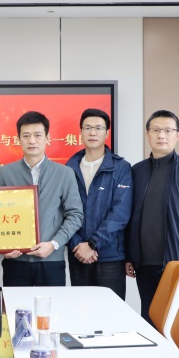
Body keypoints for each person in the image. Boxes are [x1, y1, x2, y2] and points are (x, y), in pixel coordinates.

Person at [125, 110, 179, 323]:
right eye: (156, 130)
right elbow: (128, 217)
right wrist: (129, 255)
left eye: (167, 130)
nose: (161, 135)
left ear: (177, 135)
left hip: (178, 261)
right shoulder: (136, 171)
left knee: (175, 323)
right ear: (148, 134)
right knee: (148, 318)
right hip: (144, 263)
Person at [0, 111, 83, 286]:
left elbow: (75, 215)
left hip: (51, 260)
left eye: (37, 135)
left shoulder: (64, 173)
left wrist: (54, 244)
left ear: (47, 138)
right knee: (15, 304)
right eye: (26, 136)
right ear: (18, 139)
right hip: (16, 260)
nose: (32, 141)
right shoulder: (5, 173)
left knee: (52, 304)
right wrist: (3, 246)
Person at [65, 108, 132, 300]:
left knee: (111, 311)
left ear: (107, 133)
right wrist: (77, 244)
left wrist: (93, 244)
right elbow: (63, 211)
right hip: (78, 254)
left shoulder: (121, 168)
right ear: (81, 132)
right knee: (80, 310)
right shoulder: (69, 168)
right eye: (87, 128)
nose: (92, 133)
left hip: (109, 255)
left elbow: (120, 213)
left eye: (98, 128)